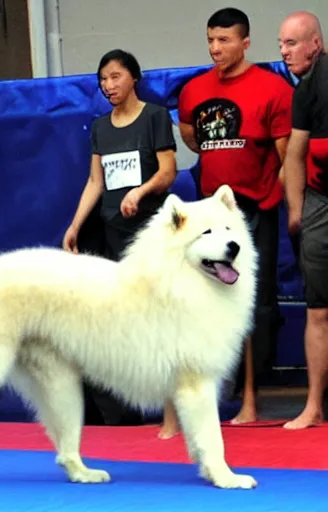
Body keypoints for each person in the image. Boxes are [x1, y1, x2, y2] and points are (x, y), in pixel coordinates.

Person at [173, 7, 293, 428]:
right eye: (210, 40)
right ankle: (215, 390)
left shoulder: (272, 89)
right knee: (211, 300)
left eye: (224, 41)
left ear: (245, 43)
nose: (215, 48)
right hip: (211, 215)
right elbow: (191, 134)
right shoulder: (193, 91)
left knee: (256, 303)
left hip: (256, 208)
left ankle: (251, 395)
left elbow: (285, 154)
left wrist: (279, 197)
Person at [62, 49, 177, 427]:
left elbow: (168, 172)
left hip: (150, 238)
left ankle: (171, 414)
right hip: (112, 239)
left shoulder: (155, 117)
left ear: (133, 78)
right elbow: (96, 181)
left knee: (160, 321)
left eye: (115, 77)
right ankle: (124, 410)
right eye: (103, 79)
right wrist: (76, 225)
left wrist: (140, 192)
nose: (108, 86)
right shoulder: (100, 127)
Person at [279, 11, 328, 430]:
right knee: (318, 309)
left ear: (316, 43)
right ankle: (313, 406)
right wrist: (296, 210)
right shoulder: (305, 90)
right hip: (320, 204)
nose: (284, 51)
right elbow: (294, 155)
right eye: (281, 43)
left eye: (292, 43)